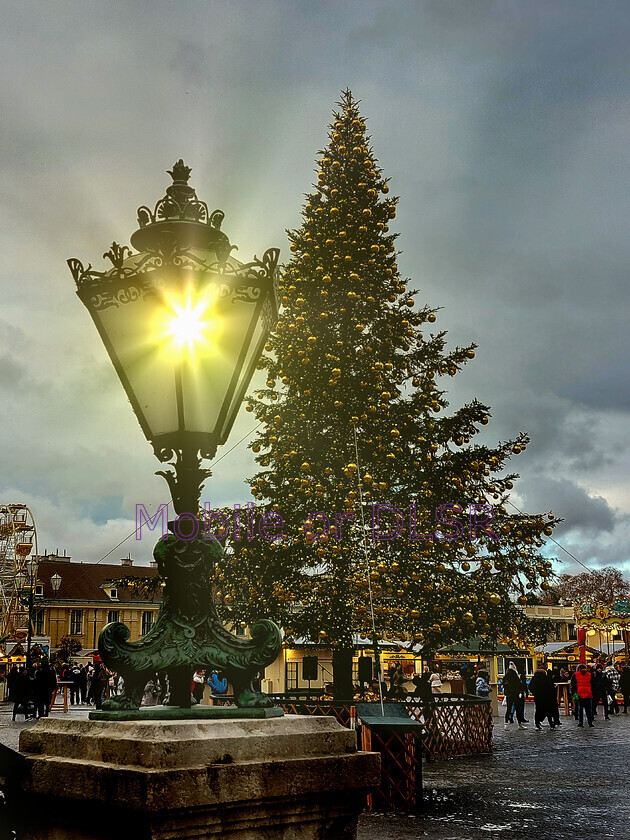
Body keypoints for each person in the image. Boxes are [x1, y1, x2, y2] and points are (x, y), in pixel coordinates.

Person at [502, 662, 527, 729]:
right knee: (518, 709)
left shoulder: (506, 676)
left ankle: (506, 724)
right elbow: (519, 685)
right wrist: (521, 692)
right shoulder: (515, 676)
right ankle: (519, 724)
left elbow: (504, 684)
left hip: (508, 694)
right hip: (515, 694)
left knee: (508, 709)